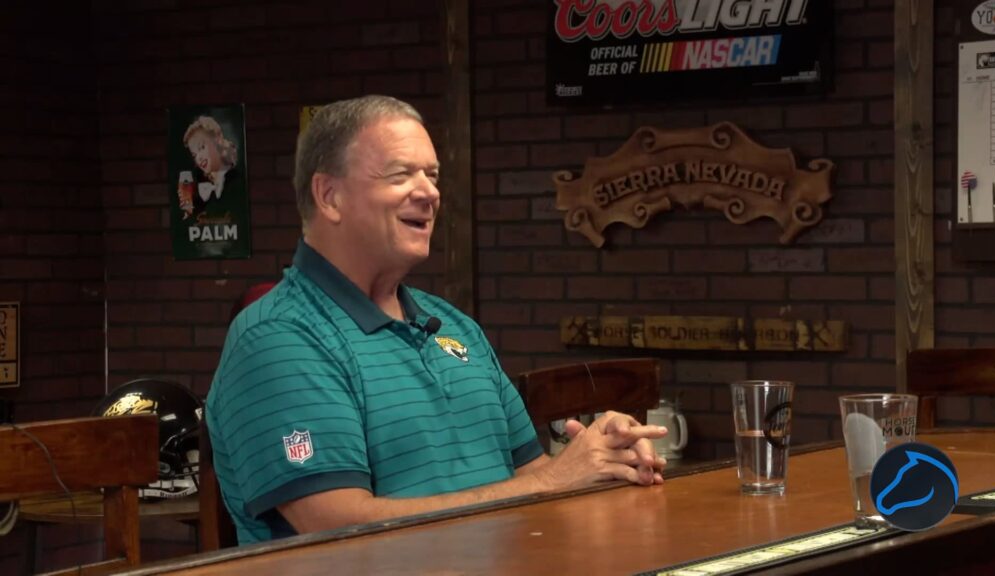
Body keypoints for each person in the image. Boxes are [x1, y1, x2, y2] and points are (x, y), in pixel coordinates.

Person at [205, 95, 668, 544]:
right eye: (401, 175)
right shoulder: (278, 339)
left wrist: (603, 459)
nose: (429, 192)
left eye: (432, 175)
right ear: (329, 196)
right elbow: (337, 530)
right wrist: (550, 483)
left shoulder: (454, 326)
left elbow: (533, 478)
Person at [180, 115, 239, 216]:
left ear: (217, 140)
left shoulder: (236, 180)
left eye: (202, 147)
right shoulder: (199, 189)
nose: (199, 158)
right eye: (194, 155)